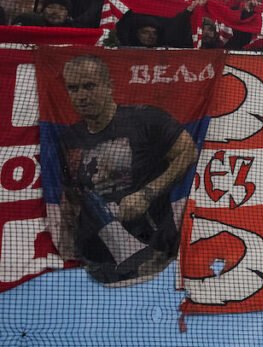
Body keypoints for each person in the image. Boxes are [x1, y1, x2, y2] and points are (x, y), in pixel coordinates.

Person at [50, 55, 197, 285]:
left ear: (109, 86)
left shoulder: (146, 119)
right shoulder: (68, 139)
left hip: (156, 256)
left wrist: (147, 194)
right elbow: (71, 197)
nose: (81, 96)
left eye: (89, 86)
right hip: (98, 265)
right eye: (73, 88)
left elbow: (188, 152)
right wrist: (68, 248)